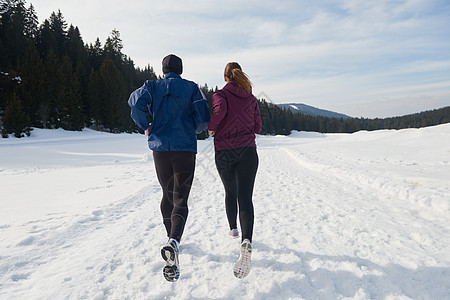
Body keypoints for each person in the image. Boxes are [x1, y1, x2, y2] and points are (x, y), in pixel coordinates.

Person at [128, 54, 210, 282]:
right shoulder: (192, 88)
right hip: (184, 148)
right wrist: (194, 129)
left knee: (167, 194)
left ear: (163, 69)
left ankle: (169, 239)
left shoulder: (151, 86)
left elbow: (135, 104)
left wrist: (146, 125)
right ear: (181, 69)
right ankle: (174, 240)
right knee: (181, 197)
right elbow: (203, 116)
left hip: (160, 149)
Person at [208, 62, 262, 279]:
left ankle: (233, 229)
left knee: (230, 191)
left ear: (225, 77)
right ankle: (246, 240)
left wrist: (212, 127)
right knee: (245, 197)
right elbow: (258, 127)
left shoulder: (220, 95)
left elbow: (220, 113)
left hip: (225, 152)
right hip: (248, 151)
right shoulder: (251, 98)